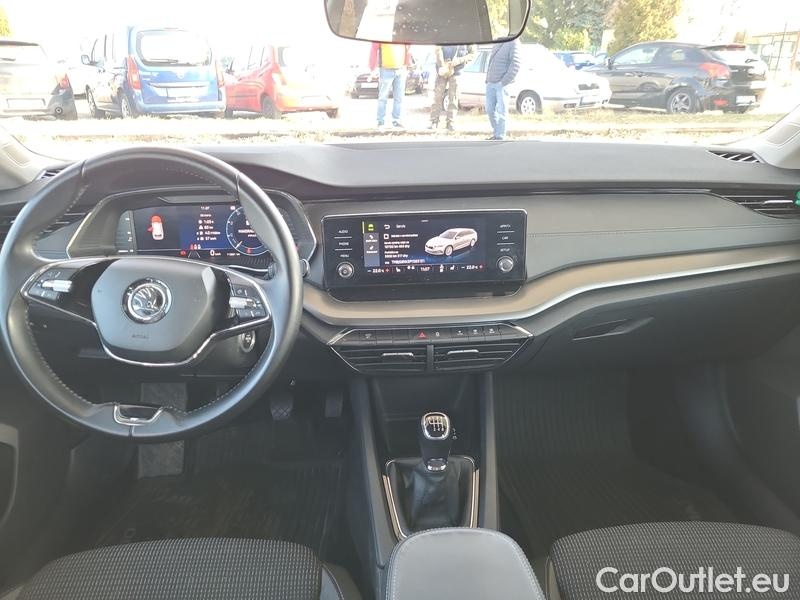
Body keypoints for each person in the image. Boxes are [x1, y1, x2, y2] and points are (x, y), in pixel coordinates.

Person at [429, 44, 477, 131]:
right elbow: (437, 49)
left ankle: (450, 122)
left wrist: (459, 60)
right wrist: (442, 65)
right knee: (437, 97)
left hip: (456, 71)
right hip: (442, 70)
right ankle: (434, 121)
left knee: (453, 97)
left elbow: (472, 54)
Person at [368, 42, 412, 128]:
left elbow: (408, 48)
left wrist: (408, 65)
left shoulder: (402, 36)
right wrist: (372, 68)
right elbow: (374, 49)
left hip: (400, 69)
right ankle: (380, 121)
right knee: (383, 97)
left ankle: (396, 120)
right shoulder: (382, 36)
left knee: (399, 97)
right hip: (386, 70)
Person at [485, 39, 521, 140]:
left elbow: (516, 63)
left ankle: (500, 135)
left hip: (502, 84)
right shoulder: (498, 41)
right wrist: (487, 79)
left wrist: (504, 81)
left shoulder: (513, 42)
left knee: (502, 111)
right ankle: (497, 132)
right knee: (489, 110)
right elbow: (491, 61)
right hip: (490, 82)